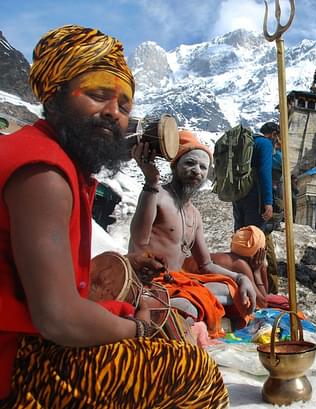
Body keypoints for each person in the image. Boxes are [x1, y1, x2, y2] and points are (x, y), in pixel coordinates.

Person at [0, 25, 228, 408]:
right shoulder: (44, 173)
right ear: (54, 95)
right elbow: (58, 318)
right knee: (192, 373)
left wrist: (125, 265)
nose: (113, 113)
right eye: (97, 95)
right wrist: (139, 330)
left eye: (124, 106)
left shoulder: (56, 162)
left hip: (31, 334)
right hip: (16, 358)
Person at [130, 130, 256, 335]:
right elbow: (139, 239)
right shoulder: (156, 194)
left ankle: (192, 317)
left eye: (203, 167)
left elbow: (205, 264)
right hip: (150, 283)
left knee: (231, 290)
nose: (197, 170)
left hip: (179, 282)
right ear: (176, 165)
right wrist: (150, 183)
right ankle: (185, 320)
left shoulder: (194, 215)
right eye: (190, 163)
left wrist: (241, 277)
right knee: (187, 305)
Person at [232, 122, 280, 293]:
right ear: (274, 134)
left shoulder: (248, 143)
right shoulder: (265, 144)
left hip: (239, 198)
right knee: (260, 244)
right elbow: (265, 172)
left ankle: (243, 283)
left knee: (242, 242)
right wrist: (268, 201)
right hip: (256, 201)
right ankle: (269, 291)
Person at [211, 225, 269, 308]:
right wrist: (257, 273)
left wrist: (262, 268)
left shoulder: (230, 257)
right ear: (257, 254)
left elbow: (265, 296)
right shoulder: (240, 264)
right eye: (263, 251)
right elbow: (263, 303)